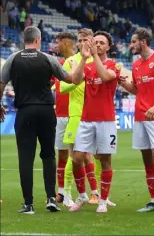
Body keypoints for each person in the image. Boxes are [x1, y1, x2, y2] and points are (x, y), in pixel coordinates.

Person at [0, 26, 72, 214]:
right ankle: (51, 199)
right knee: (48, 154)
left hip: (25, 112)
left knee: (26, 158)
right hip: (47, 111)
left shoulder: (12, 59)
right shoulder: (49, 59)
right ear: (38, 40)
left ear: (25, 39)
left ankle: (28, 204)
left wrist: (0, 104)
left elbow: (1, 83)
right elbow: (69, 78)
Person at [118, 27, 154, 216]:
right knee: (147, 160)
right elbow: (138, 90)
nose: (131, 45)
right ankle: (153, 200)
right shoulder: (136, 65)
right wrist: (125, 85)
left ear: (143, 42)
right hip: (140, 117)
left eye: (134, 42)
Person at [68, 31, 120, 213]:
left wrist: (95, 57)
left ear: (108, 47)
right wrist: (83, 58)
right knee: (76, 158)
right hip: (86, 120)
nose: (97, 45)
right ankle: (82, 195)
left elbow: (106, 77)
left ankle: (103, 201)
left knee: (105, 161)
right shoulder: (88, 67)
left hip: (106, 121)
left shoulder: (114, 65)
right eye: (95, 42)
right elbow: (74, 80)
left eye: (101, 43)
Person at [60, 28, 100, 206]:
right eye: (81, 40)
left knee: (95, 156)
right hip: (77, 114)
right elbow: (62, 87)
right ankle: (66, 193)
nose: (83, 43)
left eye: (87, 40)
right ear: (77, 42)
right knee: (74, 156)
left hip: (97, 115)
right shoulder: (71, 61)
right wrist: (78, 78)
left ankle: (95, 193)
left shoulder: (98, 61)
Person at [52, 32, 76, 203]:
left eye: (58, 42)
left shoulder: (79, 62)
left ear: (66, 43)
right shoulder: (56, 64)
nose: (55, 45)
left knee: (79, 156)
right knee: (61, 155)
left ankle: (88, 193)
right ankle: (61, 192)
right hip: (60, 115)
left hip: (77, 114)